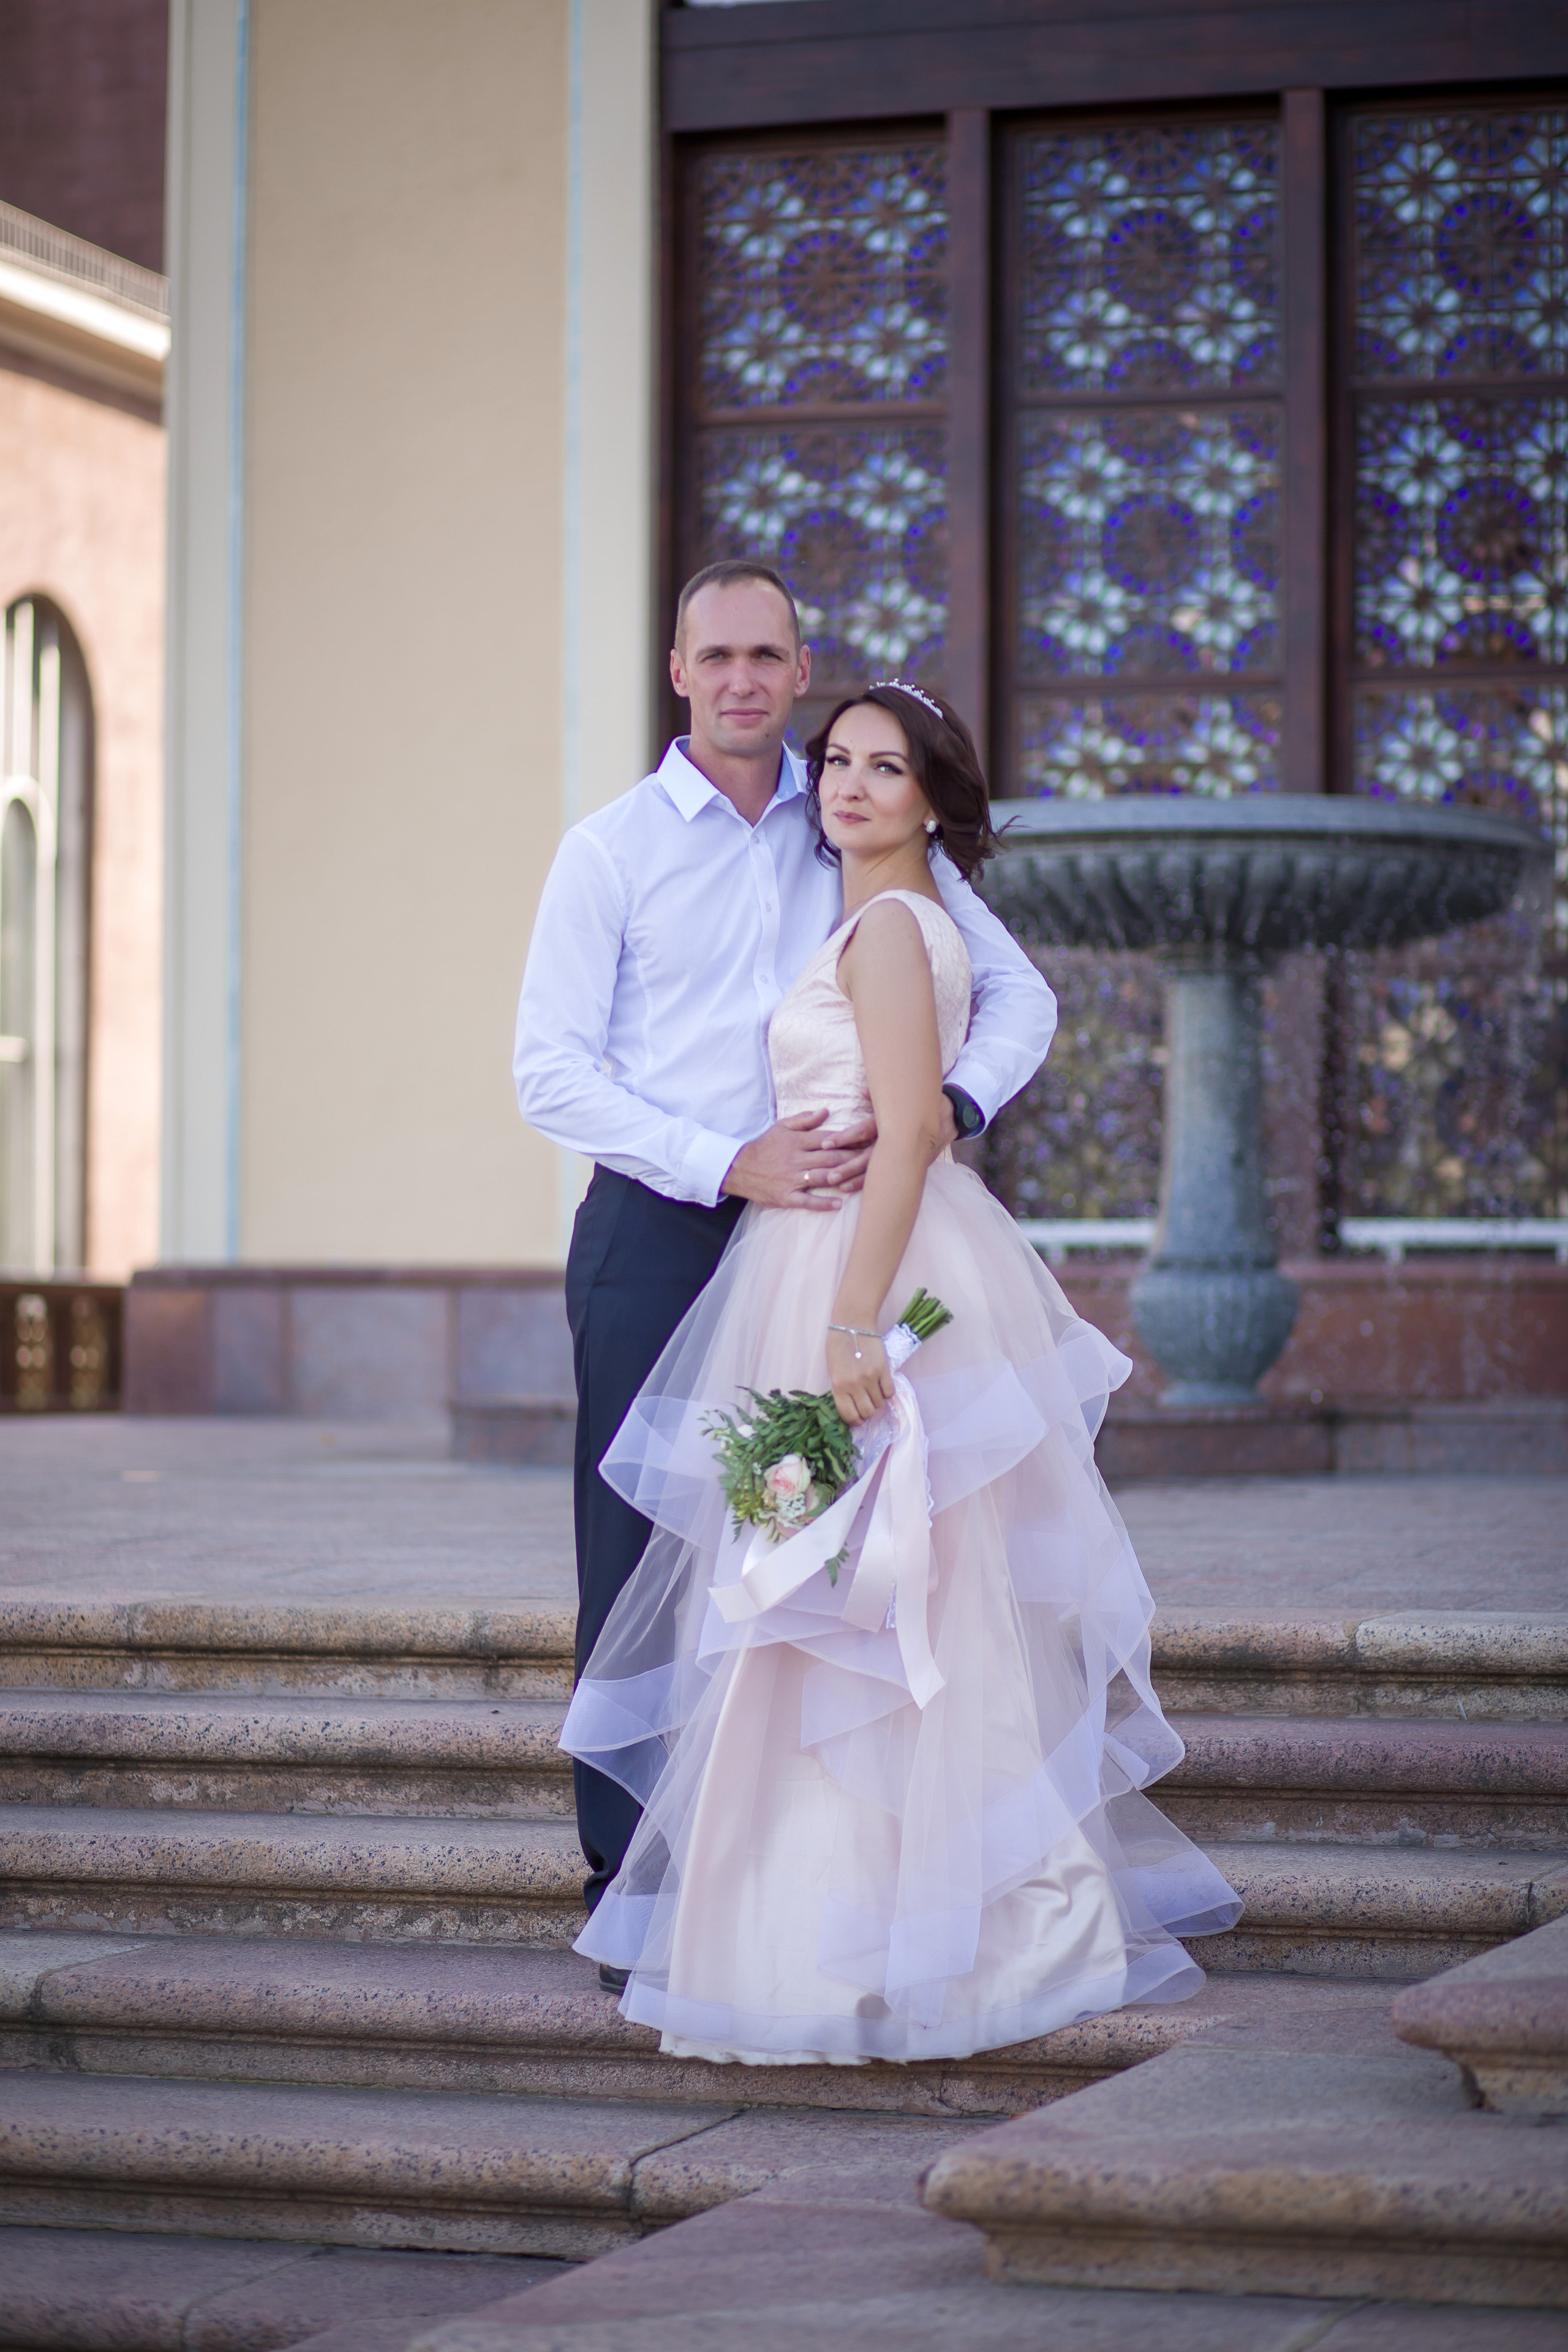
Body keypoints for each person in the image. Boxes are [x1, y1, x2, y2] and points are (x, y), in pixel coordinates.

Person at [557, 677, 1242, 2065]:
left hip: (857, 1267)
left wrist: (854, 1320)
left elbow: (916, 1123)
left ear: (933, 799)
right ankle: (877, 1905)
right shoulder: (859, 908)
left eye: (883, 767)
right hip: (824, 1255)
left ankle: (888, 1924)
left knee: (867, 1590)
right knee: (864, 1585)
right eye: (837, 764)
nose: (849, 786)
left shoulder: (889, 926)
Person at [513, 562, 1057, 1977]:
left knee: (806, 1550)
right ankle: (629, 1888)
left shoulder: (845, 824)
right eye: (717, 657)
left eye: (766, 655)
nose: (743, 679)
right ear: (677, 672)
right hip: (660, 1231)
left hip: (823, 1248)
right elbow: (547, 1072)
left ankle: (771, 1865)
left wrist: (943, 1112)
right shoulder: (610, 850)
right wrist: (721, 1161)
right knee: (642, 1553)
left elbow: (1015, 992)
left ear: (798, 668)